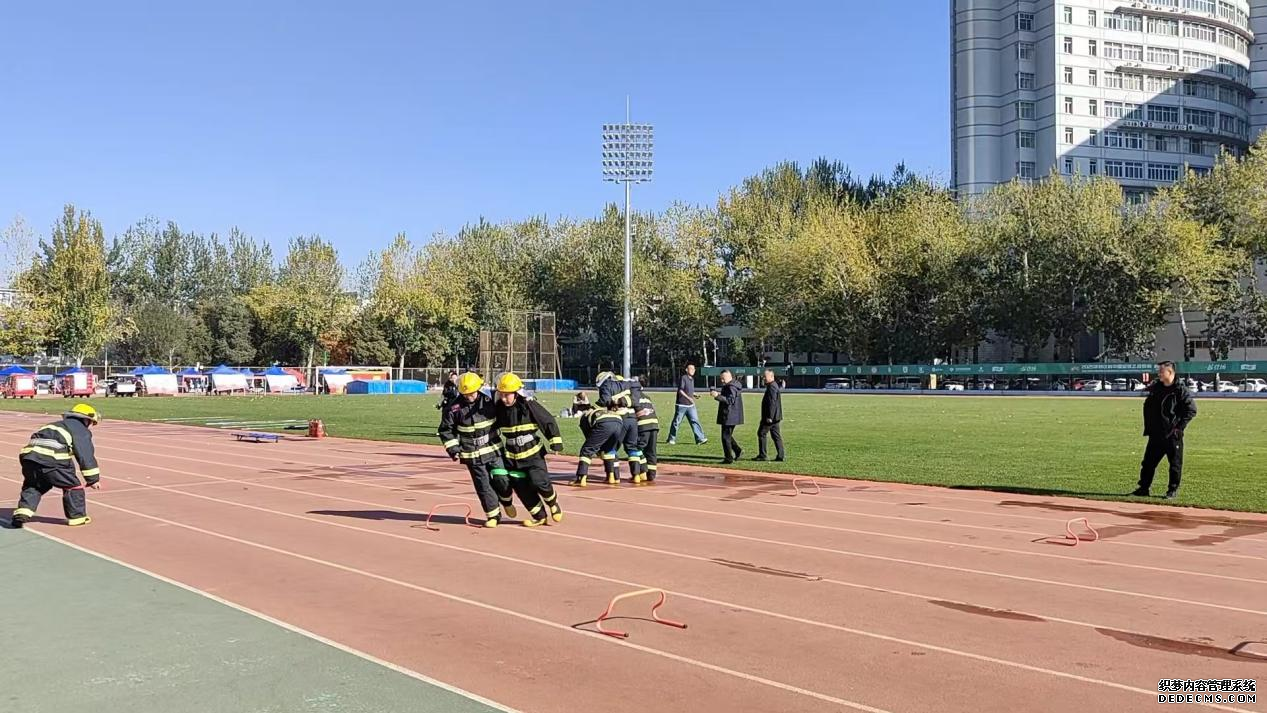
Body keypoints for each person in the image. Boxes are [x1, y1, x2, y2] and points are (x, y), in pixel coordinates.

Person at [437, 372, 517, 528]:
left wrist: (526, 399)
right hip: (471, 453)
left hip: (493, 449)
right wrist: (453, 449)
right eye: (465, 394)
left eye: (472, 393)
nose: (469, 397)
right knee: (483, 485)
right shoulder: (453, 408)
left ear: (478, 389)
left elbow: (509, 395)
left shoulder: (491, 400)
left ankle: (507, 501)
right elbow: (445, 430)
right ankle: (493, 515)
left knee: (502, 479)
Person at [10, 404, 103, 528]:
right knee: (73, 486)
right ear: (86, 419)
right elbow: (85, 454)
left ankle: (22, 513)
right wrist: (93, 479)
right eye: (91, 423)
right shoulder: (80, 429)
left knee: (34, 485)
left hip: (29, 458)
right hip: (52, 460)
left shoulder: (53, 425)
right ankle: (77, 517)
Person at [494, 372, 565, 526]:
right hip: (513, 456)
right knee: (522, 489)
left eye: (507, 395)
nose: (504, 398)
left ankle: (552, 502)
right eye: (501, 395)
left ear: (516, 393)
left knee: (539, 481)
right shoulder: (499, 408)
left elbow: (547, 420)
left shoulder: (528, 405)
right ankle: (540, 516)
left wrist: (555, 442)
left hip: (533, 454)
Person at [1132, 361, 1197, 500]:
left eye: (1161, 371)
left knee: (1175, 465)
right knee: (1148, 463)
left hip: (1172, 435)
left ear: (1170, 372)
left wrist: (1178, 428)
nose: (1159, 374)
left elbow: (1191, 410)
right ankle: (1143, 488)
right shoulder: (1156, 388)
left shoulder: (1180, 390)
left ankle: (1172, 490)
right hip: (1156, 434)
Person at [596, 372, 644, 482]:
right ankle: (636, 475)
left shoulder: (607, 386)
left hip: (619, 419)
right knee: (632, 448)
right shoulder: (629, 384)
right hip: (632, 419)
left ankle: (613, 477)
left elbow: (604, 401)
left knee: (611, 448)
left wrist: (609, 402)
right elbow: (636, 399)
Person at [573, 399, 626, 487]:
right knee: (609, 450)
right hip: (619, 422)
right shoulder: (600, 410)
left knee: (586, 450)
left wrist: (597, 450)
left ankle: (581, 479)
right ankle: (612, 477)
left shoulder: (584, 417)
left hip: (603, 423)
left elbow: (590, 438)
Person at [666, 364, 707, 445]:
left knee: (695, 421)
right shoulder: (683, 378)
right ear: (686, 370)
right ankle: (671, 439)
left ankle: (700, 439)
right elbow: (681, 390)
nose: (693, 370)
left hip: (690, 405)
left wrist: (694, 395)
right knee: (677, 422)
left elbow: (689, 391)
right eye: (691, 369)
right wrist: (689, 398)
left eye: (694, 369)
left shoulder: (692, 379)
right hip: (682, 405)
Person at [710, 370, 745, 464]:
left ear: (730, 377)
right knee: (727, 436)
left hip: (730, 415)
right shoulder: (733, 385)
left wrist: (717, 396)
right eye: (721, 378)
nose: (722, 380)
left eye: (723, 378)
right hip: (732, 415)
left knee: (725, 437)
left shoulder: (731, 386)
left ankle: (729, 458)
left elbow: (730, 400)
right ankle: (738, 451)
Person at [755, 368, 785, 462]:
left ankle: (762, 455)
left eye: (765, 376)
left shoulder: (772, 387)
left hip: (770, 417)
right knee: (776, 436)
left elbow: (772, 403)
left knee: (761, 433)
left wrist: (769, 417)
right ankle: (781, 455)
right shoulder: (773, 385)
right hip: (775, 416)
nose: (763, 378)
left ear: (772, 376)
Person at [634, 386, 660, 482]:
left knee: (637, 448)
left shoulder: (633, 397)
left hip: (643, 425)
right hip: (654, 425)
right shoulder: (647, 397)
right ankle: (651, 474)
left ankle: (643, 470)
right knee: (651, 450)